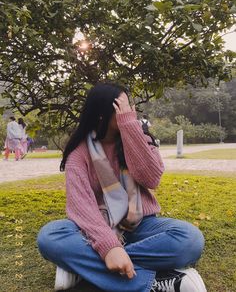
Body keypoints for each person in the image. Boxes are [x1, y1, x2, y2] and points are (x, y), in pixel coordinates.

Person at [37, 83, 206, 292]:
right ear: (102, 114)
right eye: (122, 107)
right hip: (96, 228)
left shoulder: (137, 137)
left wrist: (129, 127)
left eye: (130, 106)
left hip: (141, 225)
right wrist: (109, 246)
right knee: (50, 236)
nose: (130, 112)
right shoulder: (79, 154)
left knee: (190, 239)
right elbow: (82, 208)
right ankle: (155, 283)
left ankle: (83, 269)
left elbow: (152, 178)